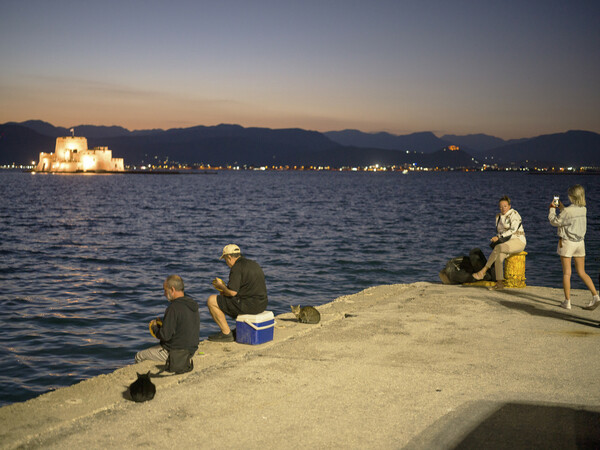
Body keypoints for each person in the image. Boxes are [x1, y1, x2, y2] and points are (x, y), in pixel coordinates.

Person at [548, 185, 599, 310]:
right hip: (580, 243)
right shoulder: (583, 209)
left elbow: (554, 222)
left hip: (567, 243)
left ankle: (567, 301)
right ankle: (596, 296)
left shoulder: (568, 211)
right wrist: (562, 208)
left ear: (571, 196)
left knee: (567, 273)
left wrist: (552, 209)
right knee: (582, 272)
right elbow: (570, 217)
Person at [135, 275, 200, 372]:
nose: (164, 294)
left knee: (139, 356)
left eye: (165, 290)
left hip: (175, 352)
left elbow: (165, 336)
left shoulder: (173, 308)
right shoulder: (192, 304)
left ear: (172, 289)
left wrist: (154, 327)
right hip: (191, 350)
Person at [207, 244, 268, 342]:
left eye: (225, 260)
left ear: (229, 257)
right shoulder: (253, 264)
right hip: (262, 304)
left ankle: (226, 333)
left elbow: (232, 293)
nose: (226, 263)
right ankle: (239, 328)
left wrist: (221, 286)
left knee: (211, 300)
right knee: (227, 300)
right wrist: (225, 292)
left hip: (250, 306)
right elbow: (246, 289)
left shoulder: (236, 268)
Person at [472, 195, 526, 290]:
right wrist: (497, 238)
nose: (502, 208)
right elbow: (500, 232)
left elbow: (513, 230)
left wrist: (498, 237)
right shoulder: (498, 217)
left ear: (509, 206)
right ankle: (500, 284)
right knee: (499, 256)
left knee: (499, 248)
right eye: (500, 206)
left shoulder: (514, 214)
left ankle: (483, 271)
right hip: (507, 243)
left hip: (518, 241)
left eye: (505, 206)